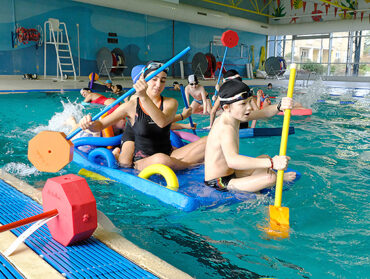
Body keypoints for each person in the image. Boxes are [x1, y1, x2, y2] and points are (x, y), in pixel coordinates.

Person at [79, 61, 207, 171]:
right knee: (162, 160)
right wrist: (89, 125)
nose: (158, 85)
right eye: (154, 79)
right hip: (142, 161)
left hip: (170, 154)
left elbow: (162, 122)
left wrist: (144, 97)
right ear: (144, 80)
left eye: (162, 80)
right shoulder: (132, 105)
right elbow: (101, 125)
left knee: (208, 140)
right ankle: (193, 164)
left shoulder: (170, 102)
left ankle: (184, 164)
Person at [204, 80, 296, 193]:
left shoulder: (235, 115)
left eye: (249, 102)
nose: (249, 107)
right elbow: (233, 161)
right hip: (220, 182)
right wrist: (272, 163)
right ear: (227, 107)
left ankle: (266, 180)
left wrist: (279, 106)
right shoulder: (225, 126)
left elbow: (264, 113)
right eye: (243, 104)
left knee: (264, 158)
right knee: (270, 177)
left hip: (233, 173)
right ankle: (277, 179)